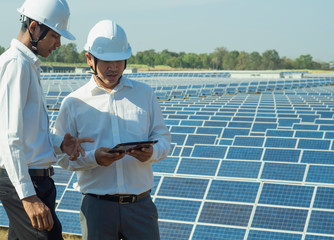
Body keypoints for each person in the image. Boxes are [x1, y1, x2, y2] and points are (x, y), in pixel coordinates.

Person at [54, 19, 171, 240]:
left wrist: (152, 153)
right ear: (89, 58)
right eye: (107, 61)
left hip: (141, 207)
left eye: (119, 60)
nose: (113, 67)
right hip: (97, 209)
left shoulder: (144, 94)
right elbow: (62, 157)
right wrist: (94, 159)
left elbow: (163, 137)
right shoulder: (74, 102)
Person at [0, 0, 94, 239]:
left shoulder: (28, 65)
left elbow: (28, 132)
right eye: (54, 35)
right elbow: (9, 137)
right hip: (24, 181)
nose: (58, 43)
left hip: (34, 180)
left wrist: (59, 143)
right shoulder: (16, 65)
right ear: (34, 28)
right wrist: (28, 197)